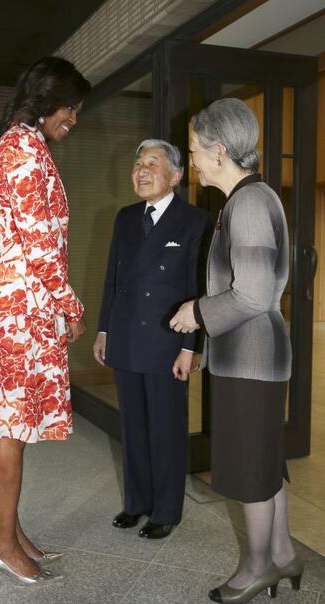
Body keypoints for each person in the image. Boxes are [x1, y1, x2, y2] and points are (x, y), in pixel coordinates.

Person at [0, 57, 90, 585]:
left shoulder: (23, 144)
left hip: (15, 301)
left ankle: (11, 532)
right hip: (13, 306)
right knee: (7, 426)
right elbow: (39, 242)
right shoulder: (24, 150)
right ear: (48, 97)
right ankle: (2, 545)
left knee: (14, 423)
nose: (74, 118)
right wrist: (69, 308)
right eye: (71, 107)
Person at [170, 98, 302, 604]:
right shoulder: (248, 200)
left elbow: (249, 292)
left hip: (251, 358)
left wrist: (196, 313)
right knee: (265, 459)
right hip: (253, 355)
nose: (193, 162)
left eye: (196, 150)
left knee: (251, 466)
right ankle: (285, 553)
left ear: (220, 150)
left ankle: (258, 567)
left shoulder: (248, 203)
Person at [94, 139, 207, 539]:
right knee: (135, 428)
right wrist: (105, 330)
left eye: (152, 163)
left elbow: (199, 288)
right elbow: (113, 279)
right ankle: (137, 503)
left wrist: (190, 347)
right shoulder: (125, 218)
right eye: (137, 162)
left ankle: (166, 510)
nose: (141, 170)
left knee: (166, 429)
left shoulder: (195, 221)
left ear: (175, 175)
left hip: (166, 339)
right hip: (125, 336)